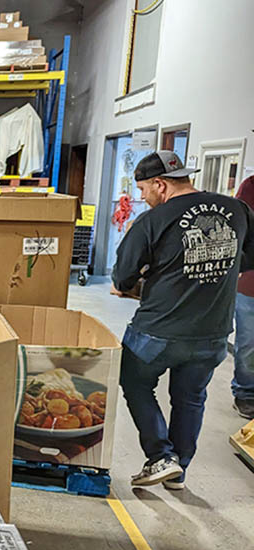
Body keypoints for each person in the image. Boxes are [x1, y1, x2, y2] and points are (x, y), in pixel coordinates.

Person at [112, 150, 254, 490]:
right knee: (190, 397)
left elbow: (122, 277)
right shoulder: (237, 210)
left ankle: (161, 457)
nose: (143, 198)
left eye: (144, 190)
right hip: (213, 333)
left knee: (134, 381)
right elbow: (246, 261)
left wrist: (142, 282)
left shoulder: (151, 221)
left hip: (157, 331)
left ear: (160, 185)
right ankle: (179, 470)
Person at [232, 174, 254, 418]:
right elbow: (239, 231)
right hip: (251, 284)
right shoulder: (251, 187)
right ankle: (246, 393)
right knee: (249, 343)